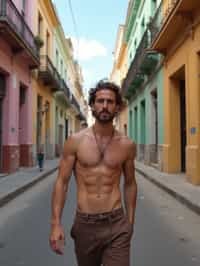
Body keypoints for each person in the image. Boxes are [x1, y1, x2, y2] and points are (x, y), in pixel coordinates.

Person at [49, 80, 137, 266]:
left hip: (116, 223)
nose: (104, 106)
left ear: (117, 107)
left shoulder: (127, 145)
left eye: (110, 102)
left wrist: (129, 222)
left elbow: (130, 183)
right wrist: (56, 223)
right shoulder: (75, 142)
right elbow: (62, 183)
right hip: (85, 224)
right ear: (92, 106)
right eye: (100, 101)